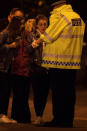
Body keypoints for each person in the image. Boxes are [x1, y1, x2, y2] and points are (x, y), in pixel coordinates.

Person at [35, 0, 85, 127]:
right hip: (72, 62)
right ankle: (68, 120)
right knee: (69, 92)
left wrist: (38, 40)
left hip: (58, 62)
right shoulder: (77, 17)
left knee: (58, 93)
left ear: (56, 6)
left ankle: (59, 120)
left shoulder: (60, 17)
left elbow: (49, 36)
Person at [0, 8, 24, 123]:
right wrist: (10, 46)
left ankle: (4, 114)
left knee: (7, 91)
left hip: (10, 67)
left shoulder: (15, 34)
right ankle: (2, 115)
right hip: (2, 67)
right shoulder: (4, 33)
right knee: (3, 90)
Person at [29, 15, 49, 124]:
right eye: (41, 24)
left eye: (45, 24)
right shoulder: (32, 35)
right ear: (37, 25)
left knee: (45, 93)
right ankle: (38, 115)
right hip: (36, 67)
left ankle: (41, 115)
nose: (43, 26)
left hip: (47, 68)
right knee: (37, 93)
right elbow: (27, 49)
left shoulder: (50, 35)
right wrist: (36, 42)